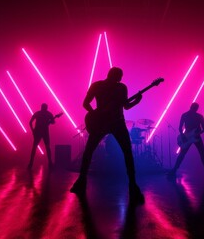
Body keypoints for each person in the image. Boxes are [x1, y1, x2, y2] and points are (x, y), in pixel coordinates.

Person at [70, 67, 145, 204]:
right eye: (119, 76)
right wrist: (137, 101)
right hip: (116, 122)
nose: (120, 79)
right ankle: (133, 186)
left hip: (107, 123)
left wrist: (95, 113)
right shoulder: (120, 87)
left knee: (89, 151)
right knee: (127, 152)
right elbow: (126, 106)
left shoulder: (99, 85)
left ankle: (81, 181)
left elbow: (86, 104)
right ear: (114, 76)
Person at [167, 102, 204, 180]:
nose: (194, 109)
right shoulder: (185, 115)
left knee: (202, 154)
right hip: (187, 137)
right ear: (191, 107)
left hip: (196, 137)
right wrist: (182, 135)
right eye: (194, 108)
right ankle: (174, 170)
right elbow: (180, 127)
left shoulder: (199, 116)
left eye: (195, 108)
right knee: (183, 154)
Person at [28, 103, 55, 170]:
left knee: (34, 147)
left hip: (38, 132)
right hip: (45, 132)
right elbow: (53, 122)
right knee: (47, 147)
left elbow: (30, 122)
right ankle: (50, 163)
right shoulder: (48, 114)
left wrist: (33, 130)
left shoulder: (38, 113)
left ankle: (31, 164)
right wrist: (51, 121)